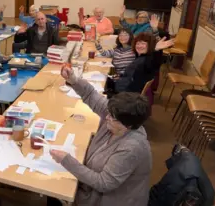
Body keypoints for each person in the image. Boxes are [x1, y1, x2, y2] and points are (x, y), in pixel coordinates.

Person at [48, 66, 153, 206]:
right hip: (95, 188)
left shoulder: (132, 148)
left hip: (111, 199)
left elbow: (103, 183)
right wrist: (73, 79)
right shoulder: (117, 117)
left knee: (56, 190)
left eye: (112, 117)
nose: (106, 117)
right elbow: (92, 95)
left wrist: (66, 160)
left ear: (127, 125)